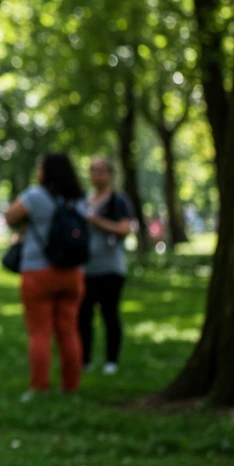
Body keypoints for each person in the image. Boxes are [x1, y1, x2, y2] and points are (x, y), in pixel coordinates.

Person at [5, 153, 86, 398]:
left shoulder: (35, 195)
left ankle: (39, 387)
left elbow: (9, 216)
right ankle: (70, 387)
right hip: (72, 273)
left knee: (39, 332)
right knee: (69, 331)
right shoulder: (79, 199)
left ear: (46, 171)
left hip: (37, 271)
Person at [79, 156, 135, 374]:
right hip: (85, 268)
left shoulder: (118, 201)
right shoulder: (84, 201)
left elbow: (125, 229)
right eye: (93, 170)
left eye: (101, 171)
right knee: (84, 316)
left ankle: (111, 361)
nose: (96, 175)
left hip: (111, 268)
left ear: (110, 174)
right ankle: (85, 360)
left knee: (109, 314)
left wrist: (97, 222)